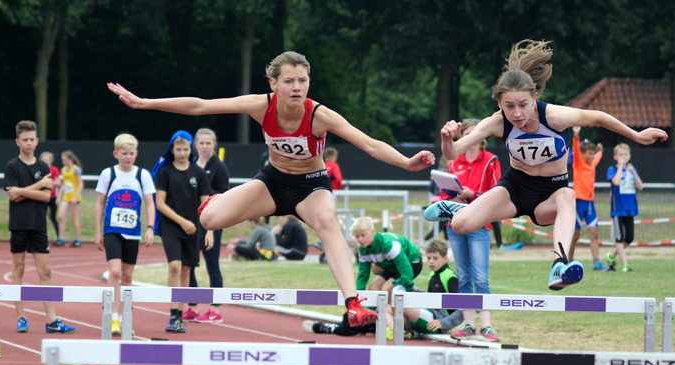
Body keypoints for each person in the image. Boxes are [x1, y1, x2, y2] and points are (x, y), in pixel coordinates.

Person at [108, 50, 434, 327]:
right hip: (273, 182)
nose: (296, 87)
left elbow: (370, 144)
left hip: (310, 187)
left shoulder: (320, 115)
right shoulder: (261, 106)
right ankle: (223, 200)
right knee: (208, 220)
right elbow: (200, 106)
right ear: (274, 83)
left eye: (302, 81)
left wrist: (407, 163)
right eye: (289, 81)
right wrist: (145, 103)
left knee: (327, 223)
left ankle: (353, 303)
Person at [424, 40, 667, 290]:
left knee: (567, 195)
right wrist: (446, 139)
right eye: (509, 106)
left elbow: (598, 116)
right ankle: (455, 210)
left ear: (535, 98)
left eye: (523, 105)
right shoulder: (496, 122)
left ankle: (559, 265)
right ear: (499, 104)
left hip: (550, 193)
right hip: (514, 188)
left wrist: (635, 136)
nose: (517, 113)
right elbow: (453, 153)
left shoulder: (553, 116)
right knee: (461, 226)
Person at [3, 120, 76, 334]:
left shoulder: (43, 167)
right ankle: (21, 317)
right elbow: (13, 196)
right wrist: (37, 186)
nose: (28, 143)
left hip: (38, 225)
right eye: (24, 140)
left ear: (37, 141)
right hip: (18, 225)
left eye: (32, 139)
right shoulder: (11, 166)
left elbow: (46, 197)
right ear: (17, 142)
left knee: (45, 270)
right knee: (19, 269)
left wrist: (23, 191)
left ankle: (51, 320)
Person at [436, 119, 501, 342]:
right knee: (463, 276)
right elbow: (444, 194)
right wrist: (452, 195)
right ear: (462, 137)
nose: (472, 138)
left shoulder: (491, 160)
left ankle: (487, 326)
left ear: (483, 136)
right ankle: (468, 324)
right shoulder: (454, 161)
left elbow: (498, 194)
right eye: (468, 134)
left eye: (476, 133)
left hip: (480, 223)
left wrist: (474, 195)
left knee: (480, 276)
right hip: (456, 223)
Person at [94, 133, 156, 336]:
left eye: (131, 153)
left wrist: (150, 227)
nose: (128, 157)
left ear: (136, 154)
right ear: (116, 154)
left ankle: (124, 318)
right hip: (112, 230)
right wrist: (98, 231)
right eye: (124, 153)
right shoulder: (108, 174)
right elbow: (99, 202)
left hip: (133, 232)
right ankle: (112, 318)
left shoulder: (143, 175)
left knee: (128, 276)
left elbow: (149, 202)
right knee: (115, 273)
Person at [153, 130, 213, 333]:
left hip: (193, 229)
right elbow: (159, 203)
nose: (181, 153)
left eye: (185, 149)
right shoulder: (165, 172)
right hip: (171, 227)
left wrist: (210, 230)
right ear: (172, 150)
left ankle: (179, 313)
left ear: (191, 150)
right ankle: (172, 314)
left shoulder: (198, 173)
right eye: (178, 149)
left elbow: (207, 204)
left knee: (187, 269)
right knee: (175, 267)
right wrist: (181, 221)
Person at [182, 128, 230, 324]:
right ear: (195, 145)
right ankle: (192, 307)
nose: (204, 146)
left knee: (212, 264)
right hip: (190, 224)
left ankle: (215, 309)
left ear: (214, 145)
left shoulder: (219, 167)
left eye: (208, 143)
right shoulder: (189, 165)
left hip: (212, 223)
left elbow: (223, 197)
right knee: (190, 264)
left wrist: (211, 229)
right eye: (201, 143)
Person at [382, 239, 465, 340]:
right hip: (428, 315)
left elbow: (462, 309)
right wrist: (415, 290)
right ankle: (398, 332)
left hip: (439, 323)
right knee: (387, 308)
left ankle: (404, 332)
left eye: (435, 258)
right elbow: (431, 299)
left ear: (445, 258)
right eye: (428, 258)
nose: (431, 261)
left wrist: (443, 323)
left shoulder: (450, 277)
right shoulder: (433, 274)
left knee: (402, 303)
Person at [351, 216, 422, 297]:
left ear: (373, 232)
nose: (360, 239)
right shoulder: (363, 250)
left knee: (386, 289)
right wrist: (357, 300)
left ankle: (414, 294)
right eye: (357, 236)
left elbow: (406, 271)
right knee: (373, 288)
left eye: (363, 235)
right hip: (394, 266)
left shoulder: (388, 245)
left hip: (411, 262)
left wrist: (409, 285)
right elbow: (362, 276)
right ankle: (376, 310)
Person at [568, 126, 605, 271]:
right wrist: (576, 136)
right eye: (589, 154)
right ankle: (568, 260)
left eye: (592, 154)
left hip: (590, 204)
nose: (591, 156)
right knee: (575, 235)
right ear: (583, 154)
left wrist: (600, 150)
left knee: (594, 234)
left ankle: (596, 262)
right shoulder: (578, 164)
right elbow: (576, 150)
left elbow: (598, 155)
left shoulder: (592, 165)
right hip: (578, 203)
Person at [605, 143, 643, 272]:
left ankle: (611, 256)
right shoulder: (612, 169)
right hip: (617, 209)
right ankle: (625, 265)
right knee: (619, 238)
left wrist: (633, 171)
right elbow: (615, 182)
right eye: (620, 155)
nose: (623, 157)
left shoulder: (632, 170)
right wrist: (621, 167)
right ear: (615, 157)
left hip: (630, 208)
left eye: (626, 154)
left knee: (629, 238)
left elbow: (640, 186)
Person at [55, 150, 84, 247]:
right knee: (60, 216)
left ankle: (78, 239)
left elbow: (80, 184)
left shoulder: (76, 169)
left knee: (74, 218)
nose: (63, 162)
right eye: (62, 160)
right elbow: (63, 184)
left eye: (65, 160)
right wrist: (59, 197)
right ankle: (61, 238)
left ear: (70, 159)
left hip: (74, 198)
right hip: (66, 197)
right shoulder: (63, 169)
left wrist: (76, 196)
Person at [39, 151, 62, 240]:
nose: (46, 162)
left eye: (47, 160)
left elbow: (58, 182)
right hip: (41, 196)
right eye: (44, 160)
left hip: (52, 197)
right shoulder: (39, 169)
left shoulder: (53, 169)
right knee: (41, 217)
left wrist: (47, 183)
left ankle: (59, 236)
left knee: (53, 217)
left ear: (51, 161)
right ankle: (42, 236)